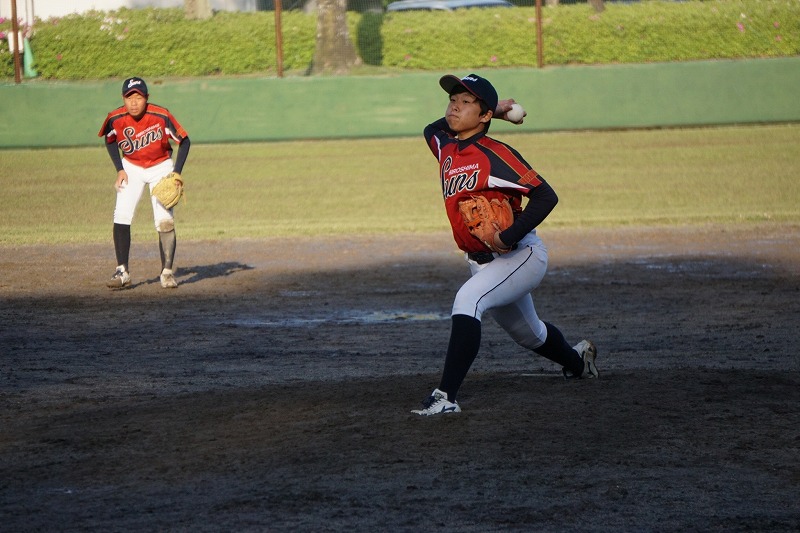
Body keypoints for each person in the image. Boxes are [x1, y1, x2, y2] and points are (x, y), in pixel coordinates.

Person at [412, 73, 599, 416]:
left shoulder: (496, 154)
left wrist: (507, 236)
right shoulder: (447, 147)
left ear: (481, 117)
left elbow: (546, 195)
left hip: (521, 254)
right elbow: (430, 130)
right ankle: (578, 362)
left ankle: (445, 397)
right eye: (453, 99)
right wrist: (493, 109)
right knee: (530, 335)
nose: (454, 105)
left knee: (468, 299)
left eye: (466, 102)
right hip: (482, 261)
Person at [98, 77, 191, 289]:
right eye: (129, 97)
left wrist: (176, 173)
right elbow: (110, 139)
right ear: (123, 98)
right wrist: (119, 169)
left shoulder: (161, 115)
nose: (133, 102)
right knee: (121, 214)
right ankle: (122, 271)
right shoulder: (115, 118)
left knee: (164, 220)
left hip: (161, 166)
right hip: (131, 166)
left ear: (146, 98)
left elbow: (184, 141)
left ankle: (166, 272)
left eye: (138, 97)